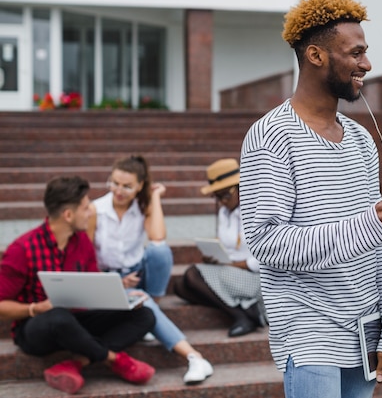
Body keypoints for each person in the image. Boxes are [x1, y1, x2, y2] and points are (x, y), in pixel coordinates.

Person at [238, 0, 382, 398]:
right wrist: (368, 224)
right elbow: (266, 241)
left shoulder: (362, 140)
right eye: (356, 53)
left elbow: (377, 241)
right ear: (316, 55)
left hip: (365, 327)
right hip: (308, 329)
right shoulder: (271, 137)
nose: (366, 64)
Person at [0, 176, 156, 394]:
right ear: (68, 215)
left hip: (78, 319)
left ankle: (76, 363)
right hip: (37, 328)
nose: (91, 212)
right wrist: (34, 309)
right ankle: (113, 359)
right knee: (59, 316)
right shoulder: (22, 249)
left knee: (145, 316)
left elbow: (92, 282)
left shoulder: (81, 241)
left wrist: (123, 297)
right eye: (85, 208)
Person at [87, 154, 213, 384]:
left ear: (140, 186)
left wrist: (154, 197)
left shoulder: (141, 206)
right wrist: (114, 283)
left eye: (127, 186)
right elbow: (85, 257)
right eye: (115, 183)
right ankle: (194, 356)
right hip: (110, 279)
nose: (119, 190)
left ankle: (151, 307)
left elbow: (157, 236)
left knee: (159, 250)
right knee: (142, 298)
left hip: (138, 274)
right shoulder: (96, 210)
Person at [173, 158, 267, 337]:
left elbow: (266, 258)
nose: (222, 201)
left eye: (225, 194)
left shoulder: (258, 211)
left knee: (193, 275)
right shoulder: (225, 212)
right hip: (230, 272)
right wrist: (216, 257)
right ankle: (247, 309)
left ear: (241, 188)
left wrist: (232, 265)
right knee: (181, 287)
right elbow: (227, 248)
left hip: (256, 277)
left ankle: (240, 315)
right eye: (216, 196)